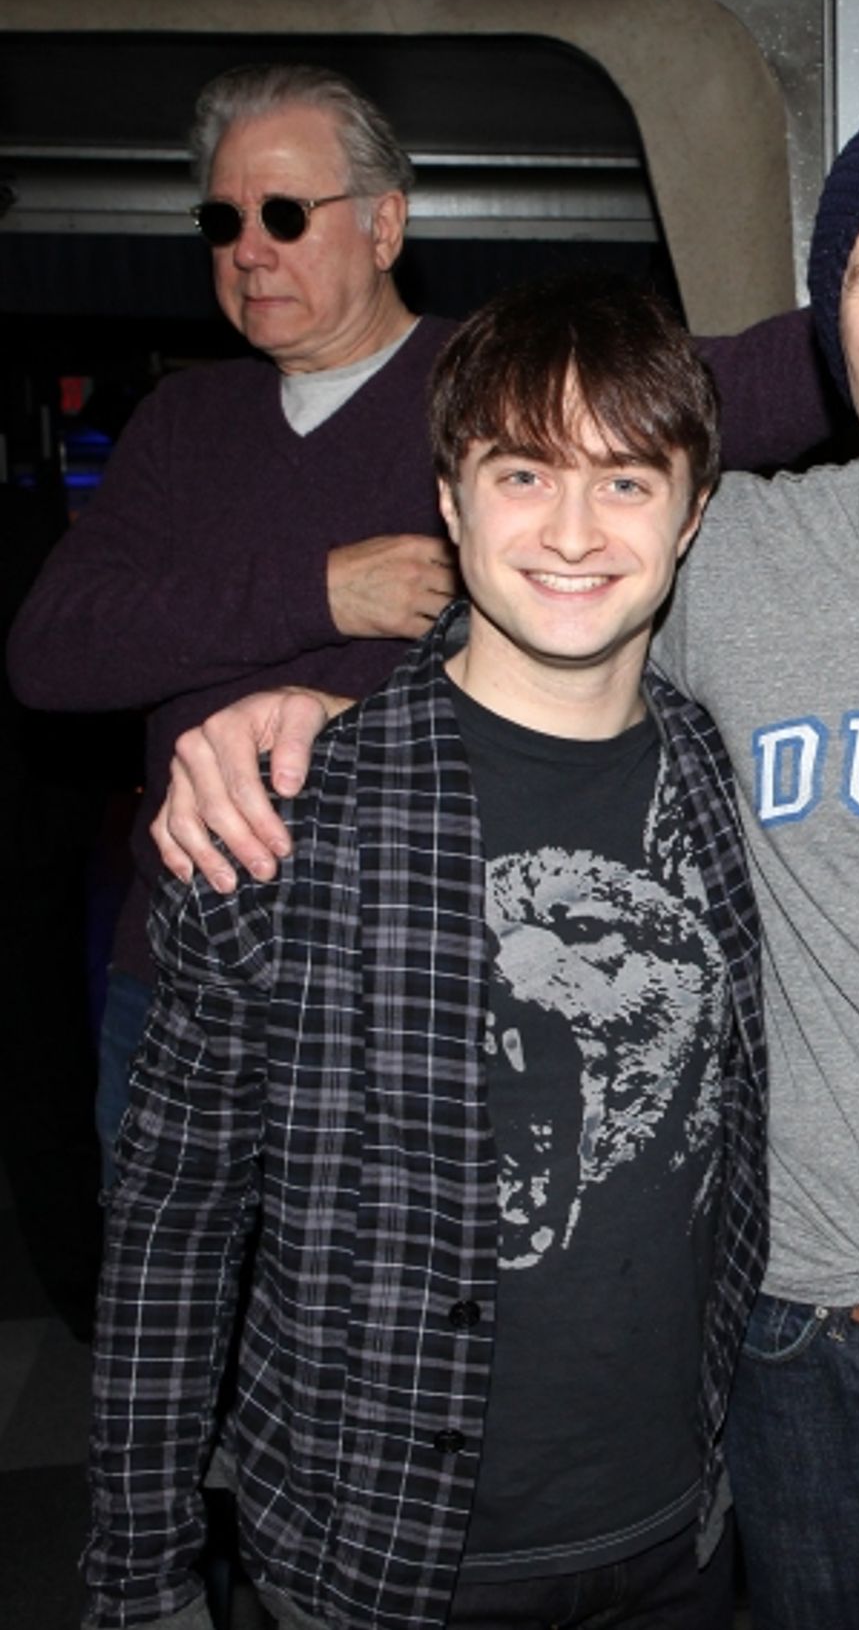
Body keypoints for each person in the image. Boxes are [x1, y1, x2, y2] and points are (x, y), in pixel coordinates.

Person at [161, 47, 859, 1630]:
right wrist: (296, 714)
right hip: (804, 1368)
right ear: (829, 324)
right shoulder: (738, 563)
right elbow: (554, 549)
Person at [84, 274, 768, 1630]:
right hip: (383, 1566)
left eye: (627, 481)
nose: (572, 530)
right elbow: (172, 1235)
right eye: (523, 474)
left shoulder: (714, 771)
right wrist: (144, 1576)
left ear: (691, 515)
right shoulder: (290, 814)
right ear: (450, 502)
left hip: (680, 1535)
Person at [4, 61, 826, 1190]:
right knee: (169, 1290)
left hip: (420, 991)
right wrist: (318, 592)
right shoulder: (182, 420)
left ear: (385, 226)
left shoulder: (494, 390)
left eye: (285, 214)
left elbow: (755, 384)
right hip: (185, 986)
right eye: (222, 221)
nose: (249, 250)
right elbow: (52, 651)